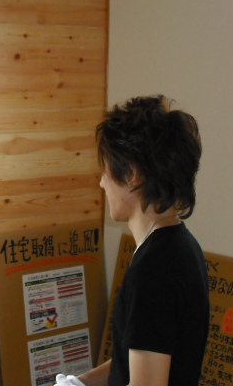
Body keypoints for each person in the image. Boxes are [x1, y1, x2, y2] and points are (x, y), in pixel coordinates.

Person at [58, 95, 209, 386]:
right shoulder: (180, 245)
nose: (102, 182)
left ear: (132, 174)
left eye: (106, 170)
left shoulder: (154, 269)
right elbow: (137, 357)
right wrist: (81, 382)